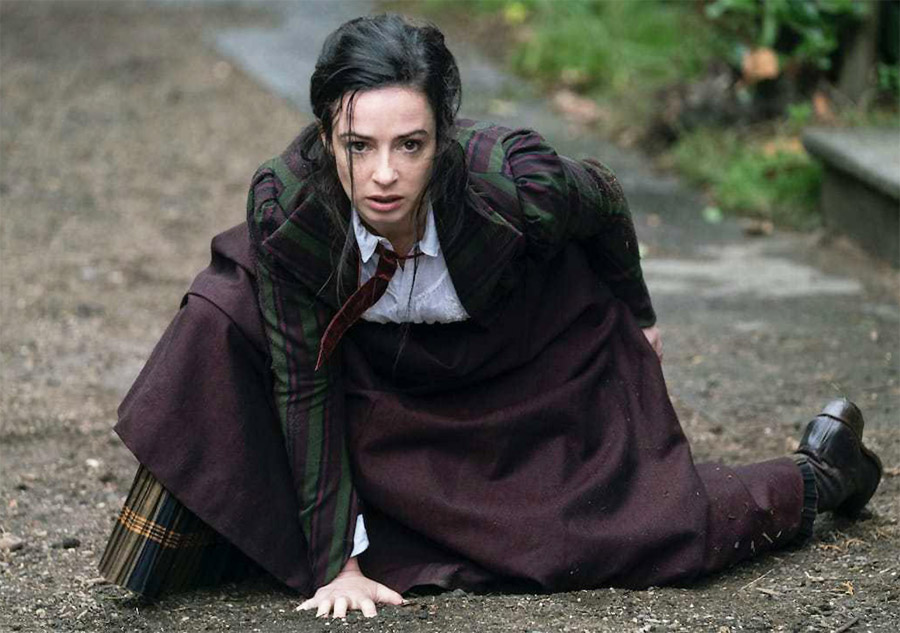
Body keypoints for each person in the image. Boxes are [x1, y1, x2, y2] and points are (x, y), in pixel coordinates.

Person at [99, 13, 883, 619]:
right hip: (374, 385)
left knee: (632, 531)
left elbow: (606, 200)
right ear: (325, 135)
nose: (382, 174)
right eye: (358, 145)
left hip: (520, 365)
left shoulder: (511, 181)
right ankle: (288, 534)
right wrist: (338, 566)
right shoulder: (289, 205)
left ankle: (819, 473)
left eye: (410, 145)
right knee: (222, 308)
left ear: (442, 139)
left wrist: (640, 316)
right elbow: (304, 379)